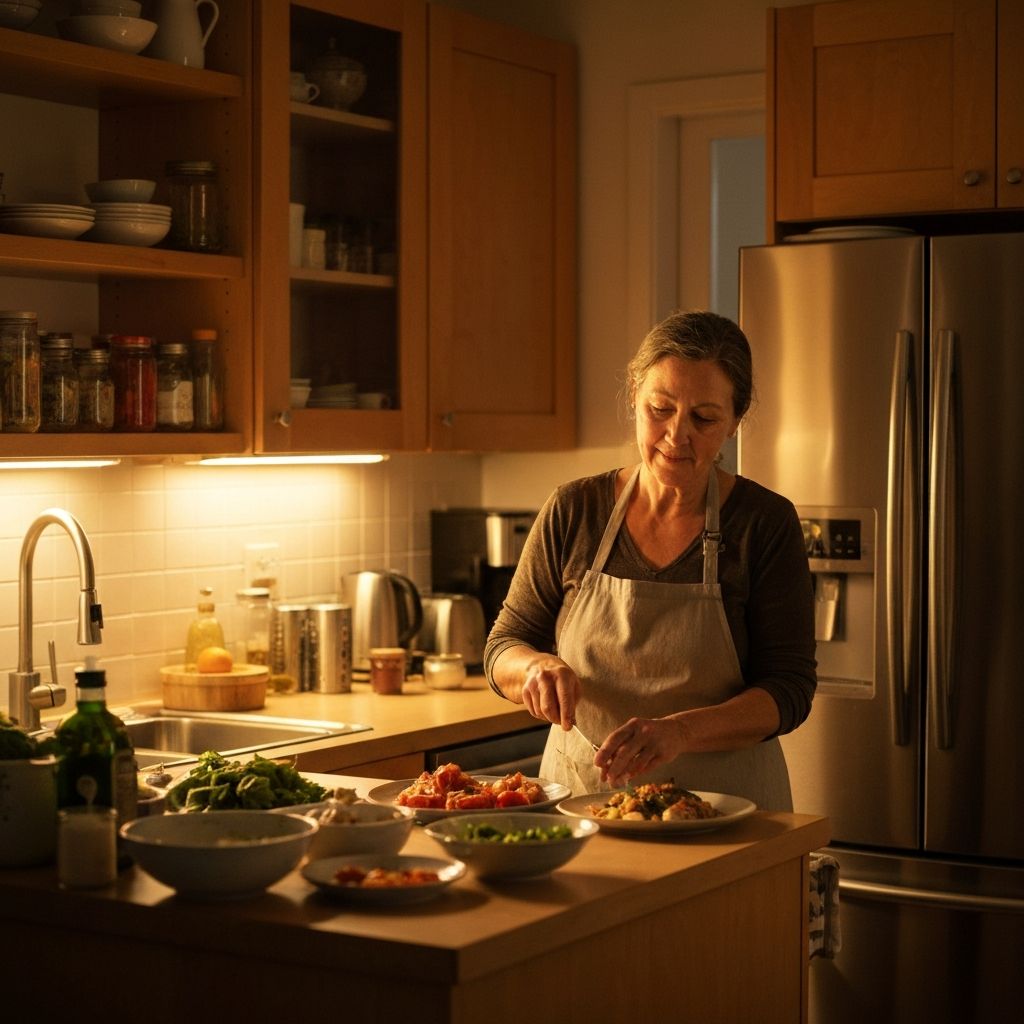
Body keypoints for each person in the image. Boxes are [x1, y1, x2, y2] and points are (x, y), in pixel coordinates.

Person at [484, 310, 816, 811]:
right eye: (659, 408)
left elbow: (789, 689)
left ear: (734, 423)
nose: (675, 435)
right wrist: (533, 668)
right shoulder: (575, 509)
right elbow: (505, 644)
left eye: (704, 418)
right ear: (634, 399)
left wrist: (681, 732)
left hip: (726, 812)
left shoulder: (764, 523)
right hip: (582, 807)